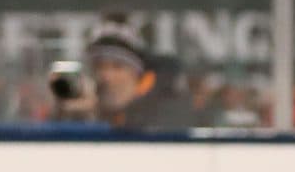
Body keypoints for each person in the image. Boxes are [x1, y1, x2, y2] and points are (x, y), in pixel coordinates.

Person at [52, 17, 194, 131]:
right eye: (99, 67)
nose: (106, 76)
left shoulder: (165, 110)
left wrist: (103, 118)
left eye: (117, 67)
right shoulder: (83, 110)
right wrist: (76, 117)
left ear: (138, 76)